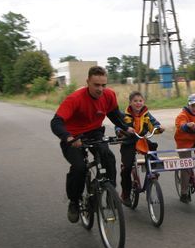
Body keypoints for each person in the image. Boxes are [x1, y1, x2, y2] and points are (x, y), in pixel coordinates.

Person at [50, 66, 134, 223]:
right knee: (80, 168)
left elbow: (114, 114)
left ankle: (110, 192)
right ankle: (74, 202)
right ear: (87, 82)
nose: (100, 89)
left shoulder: (108, 95)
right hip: (73, 137)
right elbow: (56, 122)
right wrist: (68, 137)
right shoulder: (75, 99)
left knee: (108, 157)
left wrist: (126, 128)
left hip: (94, 132)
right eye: (96, 85)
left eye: (103, 85)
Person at [118, 91, 164, 203]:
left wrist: (159, 128)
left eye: (140, 101)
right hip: (128, 141)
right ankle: (126, 195)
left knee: (152, 146)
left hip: (141, 139)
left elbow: (154, 123)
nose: (138, 103)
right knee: (127, 167)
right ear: (130, 103)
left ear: (143, 102)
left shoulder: (146, 114)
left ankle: (152, 170)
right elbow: (118, 126)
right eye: (135, 101)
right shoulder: (124, 115)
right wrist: (120, 131)